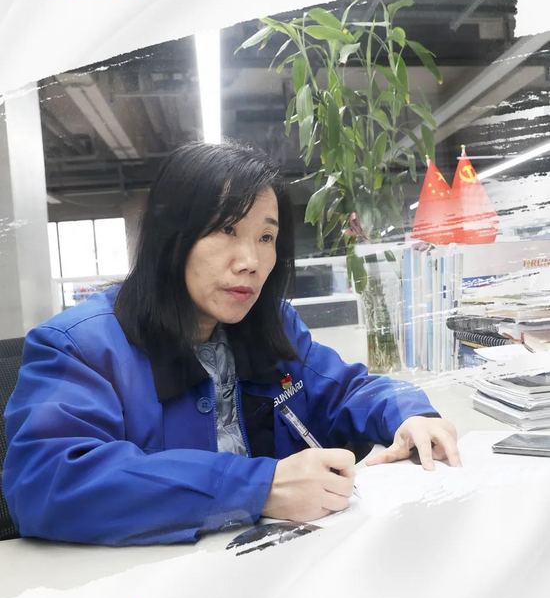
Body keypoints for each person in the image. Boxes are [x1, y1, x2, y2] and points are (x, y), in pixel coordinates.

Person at [3, 140, 460, 547]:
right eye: (226, 230)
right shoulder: (79, 346)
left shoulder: (270, 325)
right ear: (171, 237)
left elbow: (347, 389)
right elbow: (45, 483)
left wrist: (410, 414)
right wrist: (260, 487)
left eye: (266, 237)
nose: (250, 261)